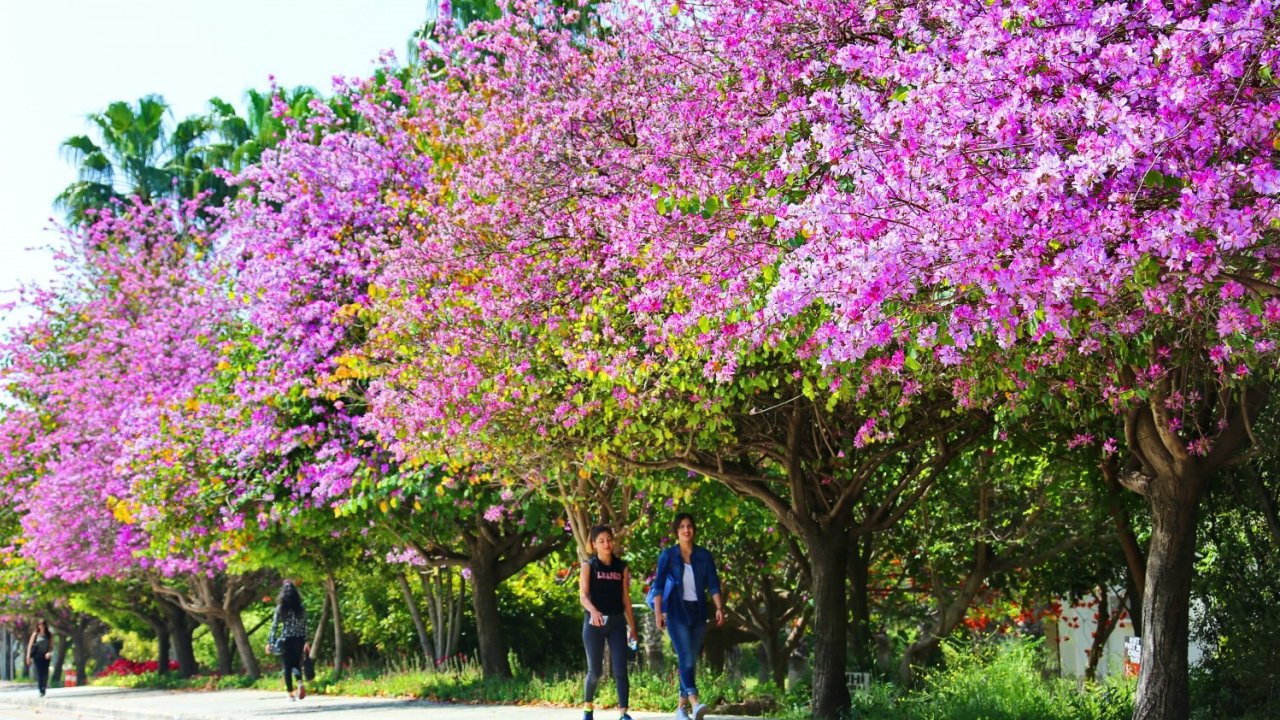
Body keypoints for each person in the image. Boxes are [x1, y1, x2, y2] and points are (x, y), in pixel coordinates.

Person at [651, 513, 724, 720]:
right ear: (676, 531)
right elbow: (658, 586)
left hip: (698, 611)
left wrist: (719, 607)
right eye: (682, 526)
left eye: (689, 526)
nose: (686, 530)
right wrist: (658, 613)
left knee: (690, 658)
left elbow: (713, 583)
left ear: (694, 529)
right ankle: (694, 701)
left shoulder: (704, 555)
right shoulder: (668, 555)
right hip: (676, 612)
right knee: (685, 656)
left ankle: (681, 710)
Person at [579, 525, 639, 720]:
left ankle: (623, 713)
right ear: (594, 544)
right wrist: (593, 611)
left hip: (616, 622)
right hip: (594, 624)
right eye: (601, 541)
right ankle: (588, 708)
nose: (606, 544)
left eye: (609, 540)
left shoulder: (621, 567)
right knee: (595, 671)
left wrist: (632, 628)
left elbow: (626, 599)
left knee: (621, 669)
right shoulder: (589, 566)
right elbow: (583, 596)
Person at [266, 580, 310, 701]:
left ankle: (290, 693)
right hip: (299, 640)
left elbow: (274, 626)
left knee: (287, 666)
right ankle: (300, 682)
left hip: (286, 640)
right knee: (296, 664)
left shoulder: (281, 608)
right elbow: (306, 625)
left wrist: (270, 642)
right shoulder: (301, 608)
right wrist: (306, 641)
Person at [25, 619, 52, 697]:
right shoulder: (35, 634)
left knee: (45, 672)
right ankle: (40, 689)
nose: (41, 626)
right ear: (38, 626)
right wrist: (28, 656)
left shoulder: (49, 635)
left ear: (45, 626)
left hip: (46, 655)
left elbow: (51, 646)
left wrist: (49, 652)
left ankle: (44, 687)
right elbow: (30, 646)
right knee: (40, 672)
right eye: (40, 625)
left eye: (43, 625)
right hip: (37, 655)